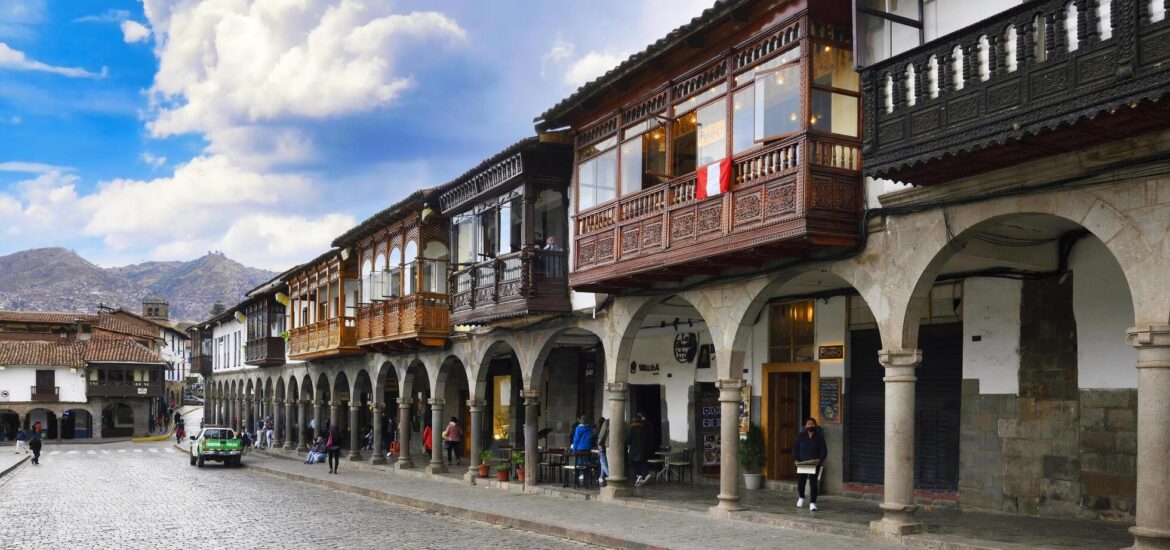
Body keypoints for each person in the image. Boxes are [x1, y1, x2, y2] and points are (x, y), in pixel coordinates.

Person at [793, 417, 828, 511]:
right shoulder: (801, 435)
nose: (810, 425)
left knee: (813, 484)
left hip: (814, 464)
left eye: (812, 424)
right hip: (802, 463)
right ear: (805, 426)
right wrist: (796, 459)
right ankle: (801, 497)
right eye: (808, 424)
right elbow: (795, 448)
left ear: (815, 425)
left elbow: (823, 450)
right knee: (801, 483)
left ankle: (813, 503)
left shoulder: (819, 436)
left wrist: (819, 460)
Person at [628, 413, 651, 486]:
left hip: (634, 449)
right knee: (641, 462)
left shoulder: (631, 429)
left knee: (634, 463)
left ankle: (639, 475)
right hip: (642, 448)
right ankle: (643, 475)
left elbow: (628, 440)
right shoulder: (643, 428)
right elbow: (646, 438)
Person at [595, 417, 610, 486]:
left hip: (604, 446)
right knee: (603, 463)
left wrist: (599, 444)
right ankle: (601, 476)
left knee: (603, 462)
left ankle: (609, 475)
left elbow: (600, 437)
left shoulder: (605, 424)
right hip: (608, 446)